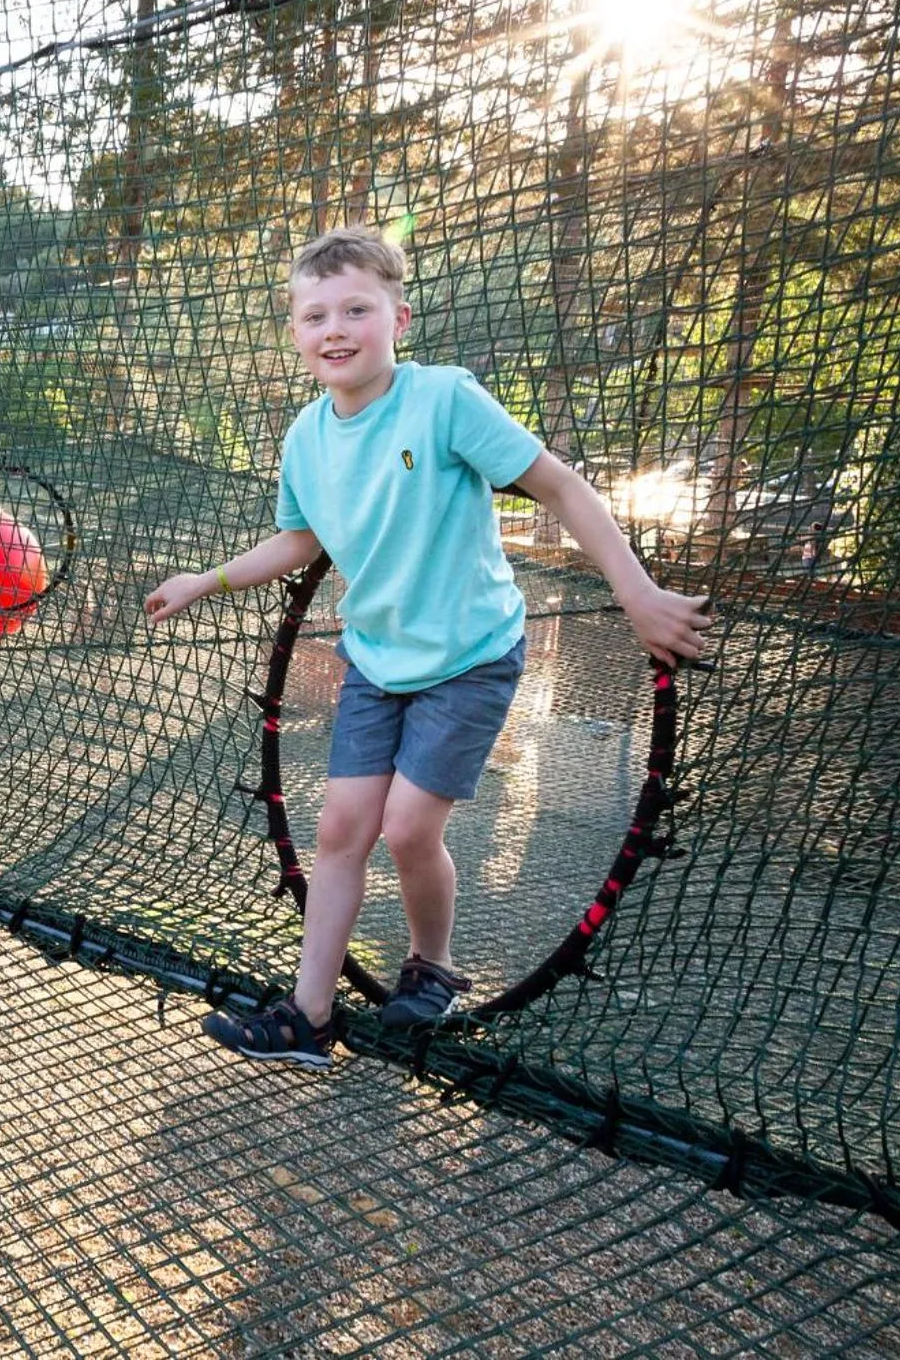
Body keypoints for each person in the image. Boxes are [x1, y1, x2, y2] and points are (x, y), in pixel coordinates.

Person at [144, 226, 711, 1067]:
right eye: (313, 315)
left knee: (408, 827)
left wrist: (636, 592)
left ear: (397, 318)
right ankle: (309, 1017)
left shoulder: (443, 398)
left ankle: (434, 966)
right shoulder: (306, 436)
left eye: (355, 309)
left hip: (471, 654)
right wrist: (206, 580)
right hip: (376, 659)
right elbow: (299, 542)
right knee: (340, 827)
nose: (334, 328)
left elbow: (558, 484)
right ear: (295, 333)